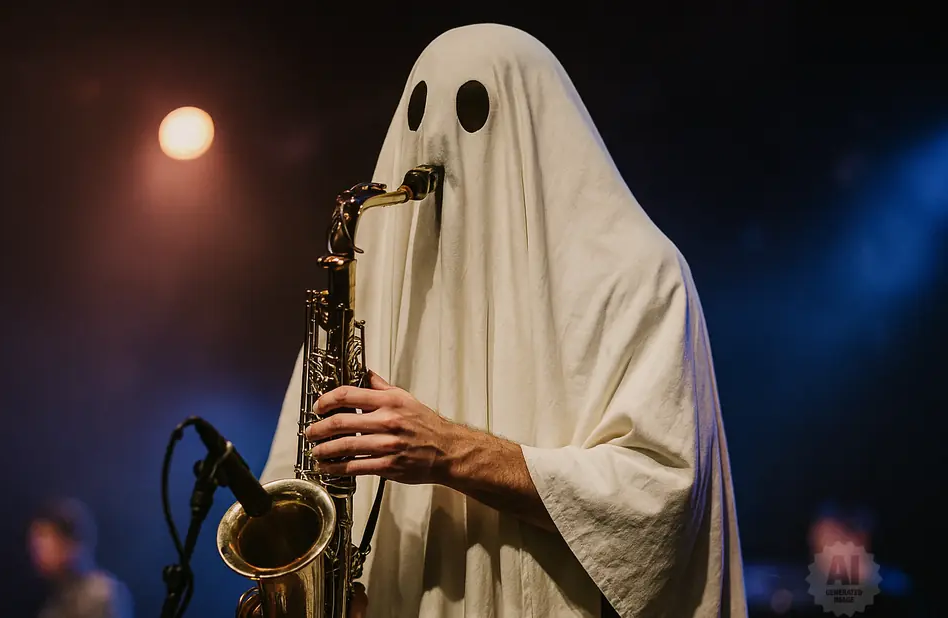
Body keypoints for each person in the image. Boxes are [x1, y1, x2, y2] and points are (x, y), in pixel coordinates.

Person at [262, 23, 746, 618]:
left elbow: (663, 494)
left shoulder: (639, 275)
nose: (436, 139)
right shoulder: (372, 275)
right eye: (418, 111)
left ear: (538, 125)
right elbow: (297, 477)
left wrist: (448, 451)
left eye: (472, 109)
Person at [28, 498, 132, 618]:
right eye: (35, 546)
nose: (36, 553)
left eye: (43, 544)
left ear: (71, 543)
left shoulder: (101, 595)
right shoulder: (53, 605)